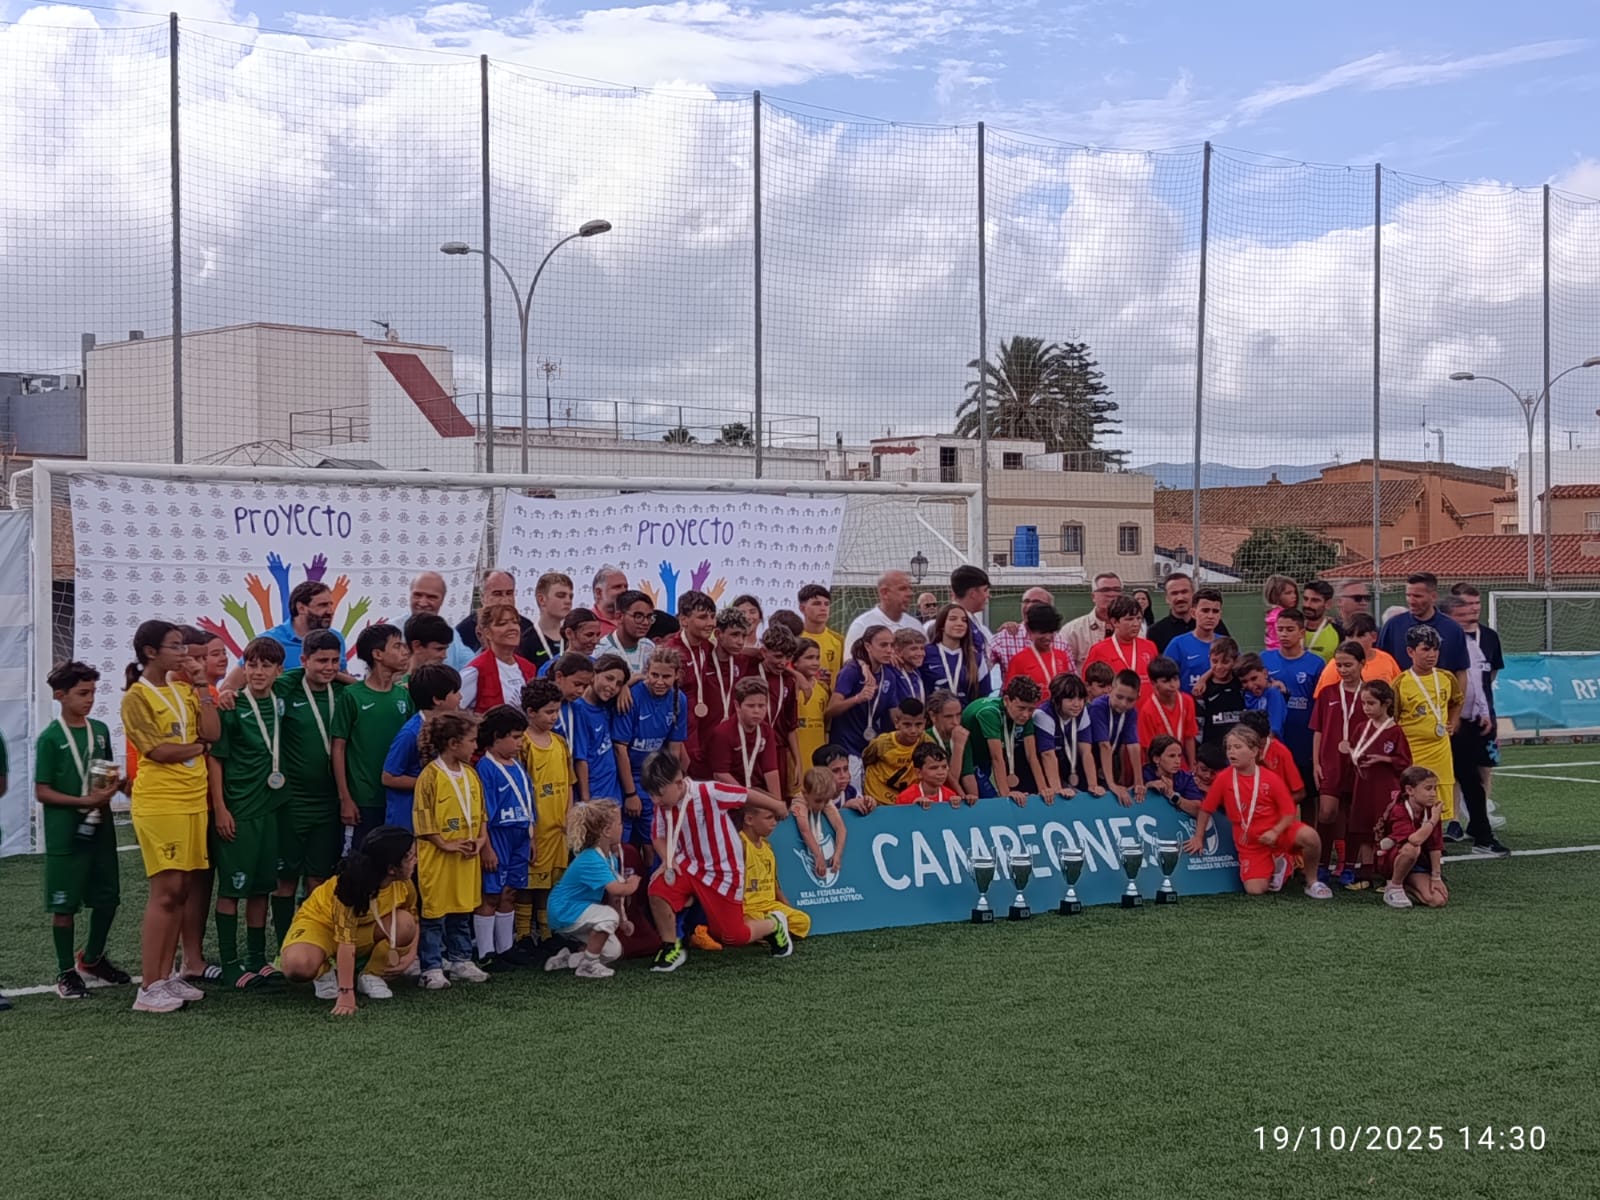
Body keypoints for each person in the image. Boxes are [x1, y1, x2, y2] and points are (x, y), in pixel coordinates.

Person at [122, 620, 220, 1013]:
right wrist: (196, 748)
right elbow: (157, 751)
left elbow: (212, 733)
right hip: (161, 801)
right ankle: (148, 985)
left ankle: (166, 978)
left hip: (192, 798)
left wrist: (200, 687)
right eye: (176, 647)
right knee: (165, 892)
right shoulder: (136, 697)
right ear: (150, 652)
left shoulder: (184, 689)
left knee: (182, 890)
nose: (185, 655)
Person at [643, 751, 793, 971]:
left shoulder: (708, 792)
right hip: (688, 864)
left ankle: (774, 924)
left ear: (677, 783)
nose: (655, 800)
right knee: (657, 890)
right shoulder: (663, 805)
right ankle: (670, 947)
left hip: (722, 871)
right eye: (651, 794)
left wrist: (777, 805)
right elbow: (658, 835)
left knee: (732, 937)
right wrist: (668, 860)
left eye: (658, 794)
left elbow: (745, 795)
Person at [37, 661, 128, 1000]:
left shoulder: (100, 730)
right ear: (60, 696)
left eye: (92, 692)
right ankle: (65, 971)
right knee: (64, 907)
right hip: (66, 834)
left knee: (108, 900)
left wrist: (120, 786)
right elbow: (41, 791)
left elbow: (102, 775)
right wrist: (82, 799)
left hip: (101, 830)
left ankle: (92, 958)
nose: (89, 699)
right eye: (82, 693)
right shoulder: (50, 738)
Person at [208, 636, 287, 987]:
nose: (258, 672)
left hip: (272, 808)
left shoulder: (284, 702)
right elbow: (216, 759)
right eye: (252, 665)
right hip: (239, 808)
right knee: (232, 889)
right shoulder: (232, 706)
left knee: (262, 888)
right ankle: (229, 963)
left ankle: (257, 958)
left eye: (266, 666)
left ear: (278, 671)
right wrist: (220, 808)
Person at [278, 824, 419, 1015]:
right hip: (321, 924)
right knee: (297, 966)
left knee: (405, 923)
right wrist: (346, 993)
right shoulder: (350, 887)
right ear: (391, 869)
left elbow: (414, 916)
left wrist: (411, 954)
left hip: (362, 929)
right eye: (410, 857)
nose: (416, 860)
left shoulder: (404, 884)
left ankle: (371, 975)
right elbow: (346, 942)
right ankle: (323, 971)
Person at [1183, 724, 1332, 899]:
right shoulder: (1223, 778)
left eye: (1238, 747)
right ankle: (1279, 863)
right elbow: (1206, 809)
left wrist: (1275, 832)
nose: (1232, 752)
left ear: (1254, 752)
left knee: (1310, 836)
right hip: (1250, 843)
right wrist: (1198, 837)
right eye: (1229, 748)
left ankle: (1312, 882)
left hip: (1279, 833)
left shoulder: (1270, 778)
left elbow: (1289, 812)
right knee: (1255, 889)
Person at [271, 628, 347, 930]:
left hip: (330, 801)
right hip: (293, 801)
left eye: (334, 661)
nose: (328, 667)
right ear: (303, 660)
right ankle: (282, 944)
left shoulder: (342, 691)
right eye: (321, 661)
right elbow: (256, 689)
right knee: (285, 878)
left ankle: (314, 938)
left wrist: (343, 676)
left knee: (320, 877)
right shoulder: (288, 687)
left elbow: (359, 687)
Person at [412, 710, 490, 988]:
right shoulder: (430, 776)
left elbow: (481, 812)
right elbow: (422, 816)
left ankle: (460, 960)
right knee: (435, 913)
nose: (475, 746)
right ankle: (431, 967)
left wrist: (480, 840)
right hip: (438, 857)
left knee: (462, 910)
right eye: (471, 740)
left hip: (466, 855)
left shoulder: (470, 773)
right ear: (454, 743)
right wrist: (444, 843)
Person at [331, 624, 413, 850]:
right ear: (377, 654)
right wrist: (345, 798)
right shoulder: (352, 696)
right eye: (397, 646)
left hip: (395, 798)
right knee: (358, 864)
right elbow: (338, 747)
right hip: (362, 800)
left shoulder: (404, 696)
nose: (404, 652)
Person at [1441, 590, 1509, 856]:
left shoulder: (1472, 642)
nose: (1469, 618)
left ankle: (1481, 834)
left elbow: (1480, 679)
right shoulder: (1434, 640)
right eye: (1461, 614)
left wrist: (1482, 710)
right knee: (1433, 779)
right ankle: (1437, 833)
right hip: (1434, 722)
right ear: (1447, 617)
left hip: (1465, 722)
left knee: (1472, 776)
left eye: (1471, 610)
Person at [545, 800, 639, 978]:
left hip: (577, 911)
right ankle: (589, 965)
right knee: (608, 916)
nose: (622, 827)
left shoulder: (610, 858)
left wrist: (622, 920)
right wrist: (633, 884)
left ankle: (569, 959)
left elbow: (614, 898)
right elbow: (616, 890)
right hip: (564, 910)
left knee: (613, 951)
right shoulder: (591, 858)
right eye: (619, 823)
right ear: (606, 831)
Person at [611, 646, 688, 863]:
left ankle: (650, 890)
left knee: (654, 842)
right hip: (625, 781)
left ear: (677, 675)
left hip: (653, 781)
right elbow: (620, 749)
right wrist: (630, 794)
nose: (659, 681)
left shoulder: (679, 700)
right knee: (621, 845)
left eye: (666, 676)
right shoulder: (632, 696)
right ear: (646, 672)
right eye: (654, 675)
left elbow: (674, 749)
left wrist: (671, 786)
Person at [473, 705, 534, 964]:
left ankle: (505, 948)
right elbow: (482, 812)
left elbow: (530, 802)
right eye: (516, 737)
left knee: (511, 891)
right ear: (497, 737)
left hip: (520, 835)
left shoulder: (518, 765)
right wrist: (486, 847)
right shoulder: (485, 768)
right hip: (497, 836)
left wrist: (533, 838)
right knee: (491, 893)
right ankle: (486, 952)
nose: (521, 742)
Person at [519, 678, 574, 943]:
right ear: (530, 712)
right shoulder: (523, 744)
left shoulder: (560, 743)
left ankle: (545, 931)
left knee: (551, 883)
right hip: (535, 829)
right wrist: (527, 831)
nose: (555, 716)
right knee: (529, 883)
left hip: (558, 827)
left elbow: (569, 782)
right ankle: (522, 934)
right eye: (549, 711)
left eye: (557, 710)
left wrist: (569, 814)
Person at [1394, 623, 1462, 835]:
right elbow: (1393, 717)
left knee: (1438, 798)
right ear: (1410, 651)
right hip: (1413, 751)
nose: (1432, 654)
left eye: (1435, 649)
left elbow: (1457, 700)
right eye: (1425, 649)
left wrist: (1453, 721)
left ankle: (1435, 844)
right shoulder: (1400, 682)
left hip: (1440, 750)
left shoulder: (1446, 677)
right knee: (1414, 799)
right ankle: (1412, 839)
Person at [379, 663, 463, 831]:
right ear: (437, 699)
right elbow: (388, 777)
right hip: (409, 820)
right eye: (455, 692)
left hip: (437, 817)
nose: (460, 697)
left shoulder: (450, 727)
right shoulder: (410, 734)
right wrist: (434, 782)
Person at [1310, 641, 1367, 880]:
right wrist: (1316, 763)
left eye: (1348, 665)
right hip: (1331, 762)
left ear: (1362, 664)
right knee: (1326, 812)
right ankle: (1322, 863)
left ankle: (1350, 866)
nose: (1343, 670)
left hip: (1360, 764)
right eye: (1339, 665)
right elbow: (1318, 730)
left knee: (1354, 815)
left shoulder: (1370, 694)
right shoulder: (1328, 693)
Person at [1347, 680, 1410, 888]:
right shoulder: (1360, 728)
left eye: (1371, 703)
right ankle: (1365, 876)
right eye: (1364, 704)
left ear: (1386, 704)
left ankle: (1388, 876)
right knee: (1364, 829)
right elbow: (1355, 752)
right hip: (1363, 786)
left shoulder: (1395, 731)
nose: (1366, 708)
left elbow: (1406, 763)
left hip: (1385, 787)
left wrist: (1384, 759)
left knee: (1385, 831)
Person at [959, 677, 1046, 803]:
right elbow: (997, 758)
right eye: (1021, 708)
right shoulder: (990, 713)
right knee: (989, 799)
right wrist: (1006, 794)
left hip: (987, 756)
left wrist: (1043, 790)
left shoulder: (1024, 715)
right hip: (970, 758)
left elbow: (1032, 756)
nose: (1026, 715)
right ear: (1006, 700)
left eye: (1031, 709)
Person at [826, 625, 893, 787]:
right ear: (868, 646)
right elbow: (829, 711)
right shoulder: (852, 671)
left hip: (871, 750)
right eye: (883, 645)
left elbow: (892, 712)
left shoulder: (889, 673)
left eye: (892, 645)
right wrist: (857, 698)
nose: (889, 650)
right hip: (847, 748)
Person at [658, 589, 718, 768]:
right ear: (683, 620)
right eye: (702, 617)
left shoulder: (706, 646)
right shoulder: (670, 652)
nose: (710, 623)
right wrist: (679, 747)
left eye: (712, 617)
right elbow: (662, 701)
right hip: (679, 738)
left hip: (701, 732)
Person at [1260, 608, 1321, 785]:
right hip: (1274, 736)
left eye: (1290, 629)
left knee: (1308, 794)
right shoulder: (1264, 659)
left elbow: (1319, 704)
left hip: (1303, 737)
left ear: (1301, 632)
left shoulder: (1316, 663)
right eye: (1280, 629)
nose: (1284, 634)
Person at [1378, 573, 1470, 689]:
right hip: (1401, 702)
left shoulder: (1452, 629)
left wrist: (1457, 705)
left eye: (1417, 596)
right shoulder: (1393, 626)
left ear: (1433, 596)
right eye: (1408, 595)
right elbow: (1380, 664)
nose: (1411, 601)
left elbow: (1460, 671)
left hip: (1437, 703)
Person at [1376, 766, 1448, 909]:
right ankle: (1394, 886)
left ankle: (1407, 885)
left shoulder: (1430, 809)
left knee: (1437, 900)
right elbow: (1415, 840)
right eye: (1428, 789)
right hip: (1393, 859)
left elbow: (1435, 846)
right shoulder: (1399, 810)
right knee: (1412, 849)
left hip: (1418, 864)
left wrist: (1436, 877)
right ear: (1410, 790)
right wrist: (1433, 820)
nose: (1433, 794)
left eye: (1435, 788)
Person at [741, 801, 812, 938]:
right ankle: (773, 931)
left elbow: (775, 885)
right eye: (769, 818)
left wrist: (789, 909)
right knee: (750, 922)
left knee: (803, 920)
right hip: (748, 908)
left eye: (775, 818)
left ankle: (771, 932)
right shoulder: (740, 844)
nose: (774, 823)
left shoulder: (768, 846)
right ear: (749, 819)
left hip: (770, 907)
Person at [706, 676, 782, 799]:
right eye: (751, 706)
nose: (757, 711)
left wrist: (777, 802)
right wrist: (748, 798)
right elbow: (720, 774)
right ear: (737, 706)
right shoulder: (723, 732)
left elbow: (771, 770)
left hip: (754, 789)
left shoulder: (766, 730)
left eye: (761, 706)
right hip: (726, 793)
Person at [571, 654, 628, 804]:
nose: (612, 687)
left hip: (613, 793)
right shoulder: (579, 710)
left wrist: (626, 687)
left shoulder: (606, 704)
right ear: (593, 675)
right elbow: (581, 759)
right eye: (609, 678)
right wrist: (586, 799)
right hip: (594, 795)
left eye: (618, 684)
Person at [460, 603, 538, 712]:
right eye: (502, 624)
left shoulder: (529, 668)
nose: (512, 628)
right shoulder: (476, 671)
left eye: (515, 622)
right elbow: (453, 710)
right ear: (487, 633)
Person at [254, 580, 346, 671]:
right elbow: (241, 681)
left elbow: (342, 677)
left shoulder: (335, 638)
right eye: (322, 605)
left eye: (330, 605)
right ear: (301, 608)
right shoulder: (270, 640)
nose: (330, 611)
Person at [986, 587, 1073, 675]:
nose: (1029, 606)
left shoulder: (1061, 643)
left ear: (1049, 608)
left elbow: (1072, 678)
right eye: (1026, 601)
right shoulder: (1004, 637)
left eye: (1036, 602)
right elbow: (980, 670)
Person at [755, 625, 801, 794]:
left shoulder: (789, 681)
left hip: (777, 752)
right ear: (763, 652)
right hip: (750, 749)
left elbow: (791, 728)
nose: (783, 662)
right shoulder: (748, 672)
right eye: (778, 656)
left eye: (788, 657)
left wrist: (798, 763)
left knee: (777, 803)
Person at [1087, 670, 1141, 804]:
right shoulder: (1098, 707)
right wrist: (1111, 784)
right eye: (1119, 697)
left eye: (1130, 700)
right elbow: (1104, 745)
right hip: (1089, 763)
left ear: (1138, 697)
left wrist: (1139, 782)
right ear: (1110, 689)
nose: (1123, 703)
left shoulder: (1131, 712)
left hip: (1109, 761)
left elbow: (1133, 745)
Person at [1034, 673, 1093, 796]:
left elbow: (1086, 751)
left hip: (1065, 761)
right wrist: (1057, 789)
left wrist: (1093, 785)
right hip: (1038, 767)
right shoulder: (1043, 714)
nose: (1077, 704)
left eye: (1081, 699)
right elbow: (1047, 755)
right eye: (1071, 699)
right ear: (1057, 699)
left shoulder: (1082, 712)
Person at [862, 697, 927, 806]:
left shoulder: (926, 742)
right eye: (907, 725)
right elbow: (866, 760)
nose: (913, 730)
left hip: (908, 802)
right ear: (897, 723)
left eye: (918, 725)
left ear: (925, 723)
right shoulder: (881, 743)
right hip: (878, 800)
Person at [1313, 613, 1400, 694]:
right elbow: (1323, 698)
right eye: (1350, 636)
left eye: (1360, 636)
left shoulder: (1387, 659)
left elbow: (1399, 690)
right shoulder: (1336, 664)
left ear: (1374, 637)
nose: (1354, 640)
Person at [1147, 572, 1232, 654]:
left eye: (1184, 592)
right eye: (1174, 593)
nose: (1180, 598)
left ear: (1193, 594)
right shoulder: (1156, 632)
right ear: (1167, 598)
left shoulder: (1213, 624)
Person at [1138, 655, 1197, 767]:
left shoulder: (1187, 701)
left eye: (1175, 679)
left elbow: (1189, 737)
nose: (1172, 685)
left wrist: (1191, 766)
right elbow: (1148, 748)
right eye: (1165, 681)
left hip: (1181, 764)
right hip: (1159, 766)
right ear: (1153, 683)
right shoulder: (1147, 710)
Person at [407, 571, 473, 671]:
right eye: (417, 595)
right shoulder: (392, 632)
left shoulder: (453, 635)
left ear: (442, 600)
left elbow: (473, 666)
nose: (423, 603)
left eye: (431, 597)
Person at [1082, 596, 1157, 684]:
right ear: (1114, 622)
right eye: (1130, 619)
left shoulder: (1149, 646)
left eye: (1139, 618)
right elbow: (1087, 685)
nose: (1136, 624)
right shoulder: (1099, 650)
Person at [844, 569, 925, 650]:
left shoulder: (916, 625)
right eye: (902, 589)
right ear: (884, 593)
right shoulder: (862, 626)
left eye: (910, 588)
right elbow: (850, 661)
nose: (910, 594)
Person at [455, 569, 532, 653]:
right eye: (497, 594)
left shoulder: (527, 627)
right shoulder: (463, 631)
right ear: (482, 597)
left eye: (509, 593)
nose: (505, 600)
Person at [923, 603, 984, 707]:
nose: (960, 623)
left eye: (964, 620)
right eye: (953, 619)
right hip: (932, 719)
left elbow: (983, 696)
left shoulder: (976, 658)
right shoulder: (925, 653)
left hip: (964, 720)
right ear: (942, 624)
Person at [1166, 588, 1227, 692]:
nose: (1210, 616)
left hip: (1221, 705)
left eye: (1215, 611)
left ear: (1220, 614)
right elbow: (1165, 679)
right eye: (1205, 610)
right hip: (1189, 706)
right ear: (1193, 613)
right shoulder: (1178, 644)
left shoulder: (1226, 644)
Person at [794, 765, 850, 878]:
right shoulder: (799, 802)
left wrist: (837, 855)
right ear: (805, 793)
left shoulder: (823, 799)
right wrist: (818, 856)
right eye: (818, 801)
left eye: (826, 800)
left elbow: (841, 828)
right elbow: (804, 830)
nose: (822, 805)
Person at [1004, 604, 1073, 692]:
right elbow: (1010, 695)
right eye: (1042, 633)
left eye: (1051, 632)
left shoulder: (1061, 656)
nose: (1047, 637)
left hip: (1058, 705)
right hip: (1033, 706)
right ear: (1029, 630)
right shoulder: (1019, 660)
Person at [1193, 637, 1245, 746]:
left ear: (1235, 661)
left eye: (1225, 662)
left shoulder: (1242, 683)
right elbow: (1198, 725)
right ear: (1209, 658)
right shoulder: (1202, 689)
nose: (1219, 666)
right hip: (1212, 750)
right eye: (1214, 661)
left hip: (1240, 747)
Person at [517, 571, 574, 670]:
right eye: (561, 595)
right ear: (542, 599)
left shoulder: (573, 638)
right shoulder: (525, 641)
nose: (568, 601)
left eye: (570, 596)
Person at [1062, 573, 1122, 667]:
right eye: (1105, 590)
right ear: (1093, 596)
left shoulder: (1134, 629)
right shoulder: (1073, 630)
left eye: (1116, 590)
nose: (1111, 594)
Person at [597, 589, 656, 675]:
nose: (646, 622)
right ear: (619, 616)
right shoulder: (601, 650)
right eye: (638, 616)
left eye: (649, 617)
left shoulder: (650, 647)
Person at [1142, 734, 1204, 815]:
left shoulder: (1186, 778)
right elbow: (1130, 793)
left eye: (1179, 756)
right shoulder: (1143, 773)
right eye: (1172, 756)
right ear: (1156, 759)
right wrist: (1147, 786)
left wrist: (1172, 795)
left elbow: (1198, 810)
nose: (1178, 761)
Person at [797, 584, 844, 688]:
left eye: (826, 604)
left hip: (829, 702)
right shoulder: (795, 638)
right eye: (816, 604)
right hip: (801, 700)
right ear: (802, 608)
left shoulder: (838, 640)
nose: (823, 608)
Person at [792, 638, 828, 775]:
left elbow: (826, 726)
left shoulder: (823, 689)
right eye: (809, 658)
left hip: (817, 753)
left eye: (817, 658)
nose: (815, 663)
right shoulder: (790, 685)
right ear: (795, 661)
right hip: (797, 755)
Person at [881, 628, 929, 720]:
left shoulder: (917, 673)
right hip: (893, 729)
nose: (920, 653)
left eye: (922, 648)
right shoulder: (889, 669)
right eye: (913, 649)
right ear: (898, 652)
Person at [897, 741, 962, 808]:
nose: (941, 772)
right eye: (934, 768)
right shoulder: (905, 797)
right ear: (918, 772)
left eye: (944, 767)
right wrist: (913, 808)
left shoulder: (951, 797)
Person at [1237, 654, 1287, 737]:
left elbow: (1273, 730)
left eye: (1254, 678)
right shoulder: (1244, 695)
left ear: (1265, 673)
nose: (1250, 685)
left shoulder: (1273, 694)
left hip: (1267, 746)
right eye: (1244, 682)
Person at [813, 744, 869, 814]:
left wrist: (869, 803)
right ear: (820, 775)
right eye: (835, 771)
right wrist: (846, 809)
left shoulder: (852, 793)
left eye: (846, 769)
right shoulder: (813, 798)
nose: (843, 775)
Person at [1299, 581, 1341, 659]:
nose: (1308, 605)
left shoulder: (1339, 633)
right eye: (1305, 599)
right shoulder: (1292, 628)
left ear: (1328, 604)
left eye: (1315, 600)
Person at [589, 565, 629, 637]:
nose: (624, 591)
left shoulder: (632, 620)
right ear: (598, 592)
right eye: (617, 587)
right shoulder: (586, 622)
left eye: (626, 587)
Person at [1261, 574, 1298, 651]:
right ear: (1276, 595)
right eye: (1288, 593)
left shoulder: (1273, 613)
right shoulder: (1280, 616)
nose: (1294, 596)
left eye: (1294, 592)